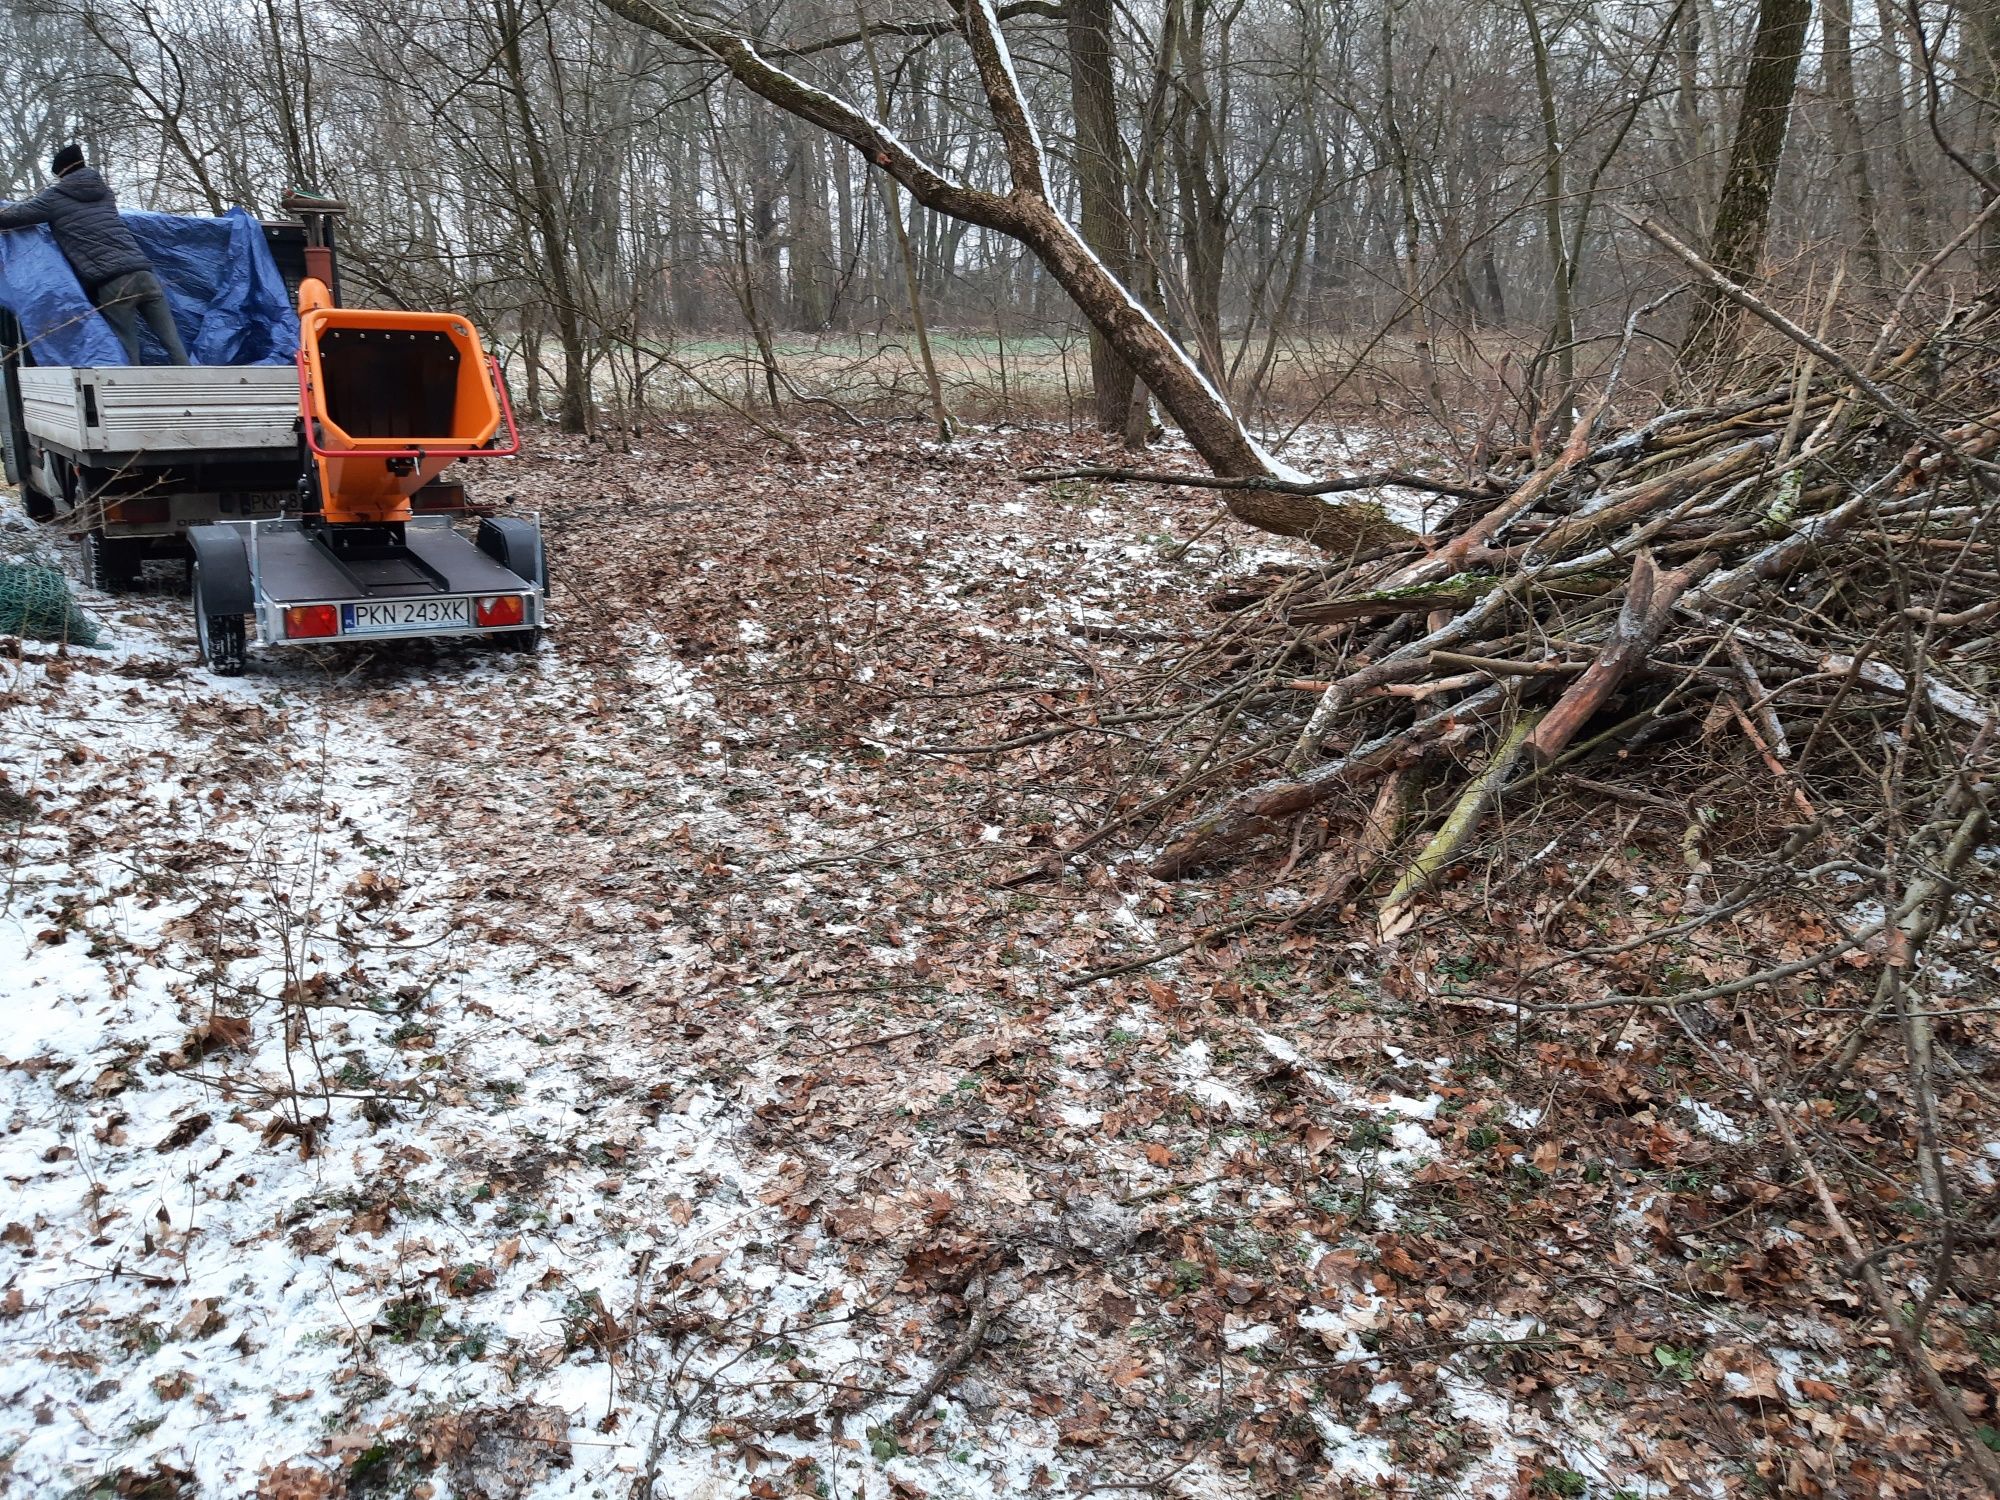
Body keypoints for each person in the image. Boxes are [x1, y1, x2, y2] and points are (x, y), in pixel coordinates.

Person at [0, 144, 190, 365]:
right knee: (172, 341)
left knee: (127, 347)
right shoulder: (105, 193)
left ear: (60, 173)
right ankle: (197, 388)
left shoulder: (55, 197)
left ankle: (130, 395)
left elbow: (16, 216)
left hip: (113, 282)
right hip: (144, 274)